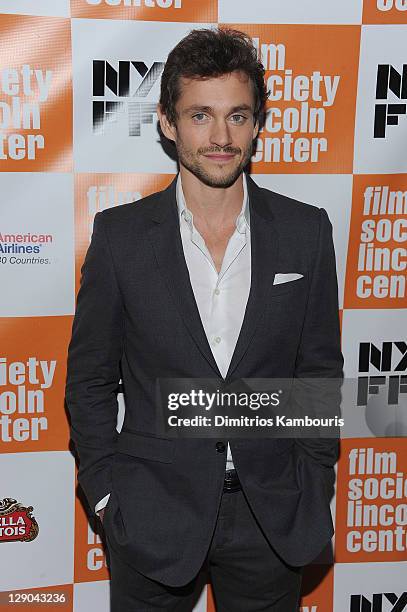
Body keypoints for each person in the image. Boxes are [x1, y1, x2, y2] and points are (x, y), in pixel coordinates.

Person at [65, 27, 344, 611]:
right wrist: (110, 495)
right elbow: (89, 381)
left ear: (257, 122)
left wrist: (314, 484)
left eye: (237, 116)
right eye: (200, 116)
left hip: (272, 516)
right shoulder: (120, 239)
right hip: (151, 514)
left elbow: (317, 374)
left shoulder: (306, 232)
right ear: (168, 123)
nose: (220, 137)